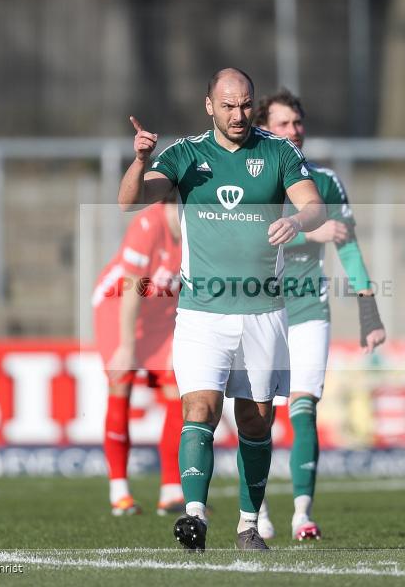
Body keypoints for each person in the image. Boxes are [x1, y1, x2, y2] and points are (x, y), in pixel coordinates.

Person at [118, 68, 326, 551]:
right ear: (208, 105)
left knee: (256, 419)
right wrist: (141, 159)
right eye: (228, 106)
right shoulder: (186, 155)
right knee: (200, 407)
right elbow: (129, 201)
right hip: (201, 311)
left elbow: (315, 206)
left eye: (245, 105)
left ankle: (249, 524)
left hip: (263, 310)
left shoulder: (277, 151)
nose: (238, 115)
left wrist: (295, 218)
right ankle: (193, 517)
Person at [254, 88, 386, 541]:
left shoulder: (326, 182)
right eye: (282, 124)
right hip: (255, 309)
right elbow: (246, 241)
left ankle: (302, 514)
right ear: (263, 129)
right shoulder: (252, 179)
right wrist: (311, 235)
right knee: (257, 416)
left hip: (309, 307)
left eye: (297, 123)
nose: (293, 131)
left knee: (304, 406)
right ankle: (255, 511)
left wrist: (368, 312)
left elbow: (347, 246)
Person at [92, 192, 184, 517]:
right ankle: (119, 491)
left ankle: (171, 491)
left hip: (161, 316)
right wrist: (127, 346)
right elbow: (131, 287)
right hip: (118, 308)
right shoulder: (148, 224)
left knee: (179, 393)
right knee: (122, 383)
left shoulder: (201, 229)